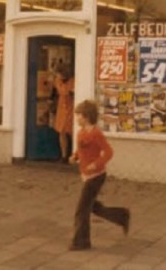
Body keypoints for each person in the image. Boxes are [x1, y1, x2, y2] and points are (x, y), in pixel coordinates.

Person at [68, 99, 130, 251]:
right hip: (86, 174)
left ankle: (81, 242)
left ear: (87, 117)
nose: (76, 118)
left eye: (78, 115)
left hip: (96, 176)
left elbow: (108, 152)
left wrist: (96, 163)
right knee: (92, 206)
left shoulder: (96, 134)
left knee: (81, 210)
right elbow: (81, 150)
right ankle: (121, 216)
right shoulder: (80, 132)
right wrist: (75, 156)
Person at [53, 65, 75, 163]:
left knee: (71, 131)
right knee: (61, 132)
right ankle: (64, 155)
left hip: (71, 108)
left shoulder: (73, 81)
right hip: (62, 108)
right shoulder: (58, 81)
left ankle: (74, 153)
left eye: (58, 74)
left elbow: (64, 91)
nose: (57, 76)